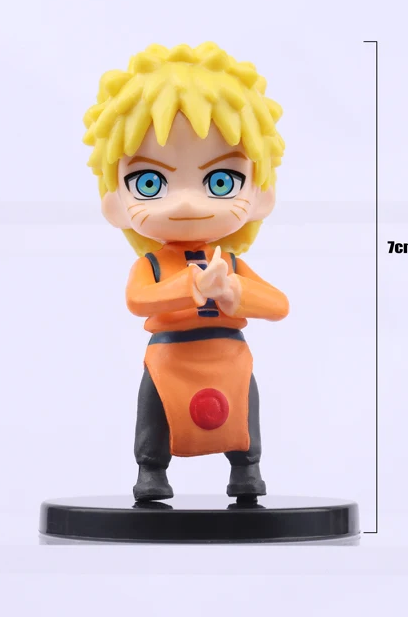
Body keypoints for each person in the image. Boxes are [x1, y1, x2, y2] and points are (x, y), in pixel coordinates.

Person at [83, 42, 289, 501]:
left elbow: (279, 304)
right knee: (154, 411)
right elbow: (138, 299)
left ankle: (246, 470)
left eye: (221, 181)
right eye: (150, 182)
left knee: (244, 409)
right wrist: (191, 285)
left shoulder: (231, 264)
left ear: (260, 196)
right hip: (170, 357)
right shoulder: (152, 264)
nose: (187, 202)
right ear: (115, 205)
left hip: (228, 353)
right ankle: (151, 472)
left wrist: (234, 291)